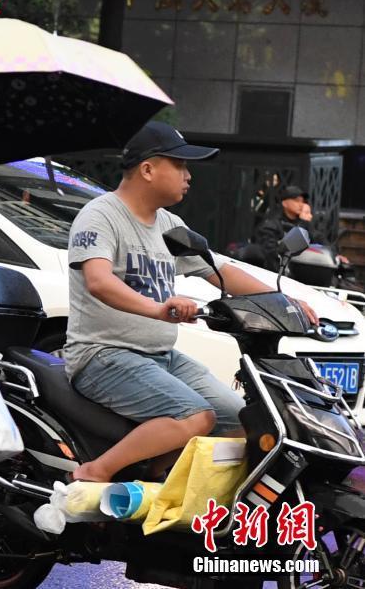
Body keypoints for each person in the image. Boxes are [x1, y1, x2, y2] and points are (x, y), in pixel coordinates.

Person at [65, 121, 317, 483]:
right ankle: (94, 472)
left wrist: (284, 299)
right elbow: (98, 281)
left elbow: (221, 270)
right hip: (103, 354)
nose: (189, 176)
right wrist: (158, 309)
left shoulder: (169, 224)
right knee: (196, 416)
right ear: (148, 169)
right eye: (180, 166)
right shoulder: (101, 215)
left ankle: (157, 478)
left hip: (161, 357)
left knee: (247, 420)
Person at [252, 184, 346, 271]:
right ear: (284, 203)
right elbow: (276, 254)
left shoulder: (304, 223)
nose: (301, 204)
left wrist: (335, 255)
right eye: (296, 201)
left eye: (303, 201)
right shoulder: (271, 226)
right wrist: (304, 224)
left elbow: (321, 241)